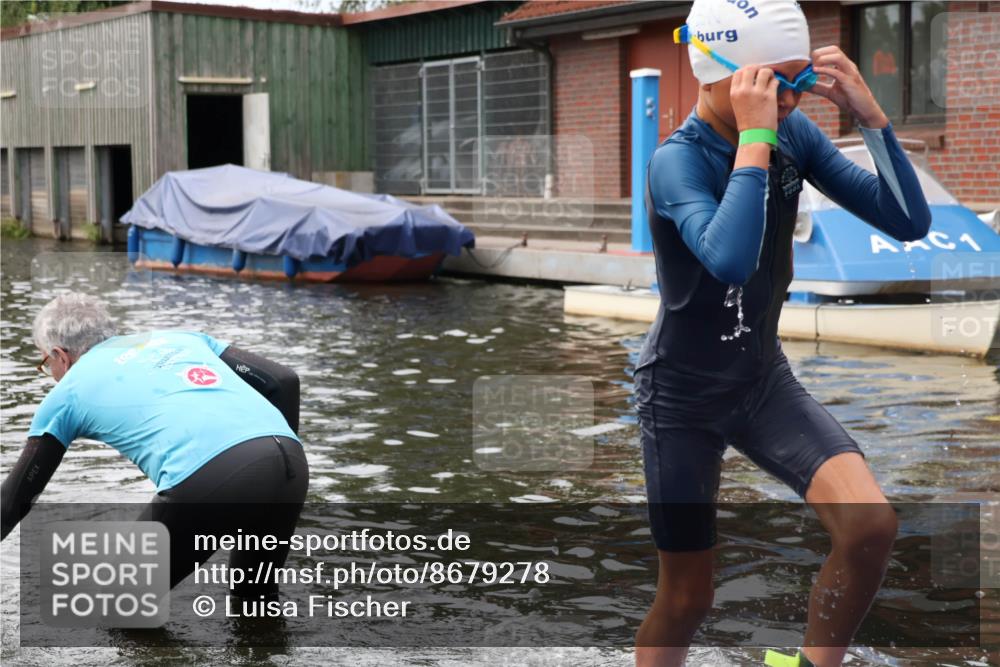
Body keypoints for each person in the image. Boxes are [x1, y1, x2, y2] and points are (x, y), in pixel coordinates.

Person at [633, 1, 931, 666]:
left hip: (762, 381)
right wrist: (756, 141)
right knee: (688, 598)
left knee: (870, 526)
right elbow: (729, 259)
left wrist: (871, 118)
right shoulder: (674, 163)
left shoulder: (793, 136)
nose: (794, 101)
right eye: (777, 84)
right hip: (679, 398)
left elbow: (907, 220)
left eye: (801, 83)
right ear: (720, 76)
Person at [0, 292, 309, 601]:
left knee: (120, 607)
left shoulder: (67, 392)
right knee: (254, 602)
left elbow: (13, 501)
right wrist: (267, 467)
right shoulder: (181, 339)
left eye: (46, 363)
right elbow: (283, 381)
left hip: (212, 476)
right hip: (289, 463)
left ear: (60, 355)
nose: (50, 372)